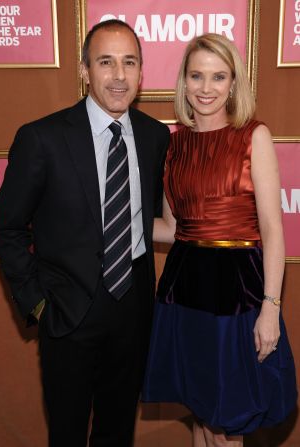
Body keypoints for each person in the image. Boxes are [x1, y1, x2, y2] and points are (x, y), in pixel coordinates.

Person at [0, 19, 170, 447]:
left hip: (132, 312)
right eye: (106, 62)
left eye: (130, 62)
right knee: (68, 434)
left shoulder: (155, 136)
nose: (119, 76)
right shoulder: (42, 138)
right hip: (67, 315)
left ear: (142, 71)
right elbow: (9, 229)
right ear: (85, 69)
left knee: (116, 431)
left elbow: (153, 218)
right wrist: (38, 304)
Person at [142, 33, 297, 446]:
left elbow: (272, 229)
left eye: (218, 76)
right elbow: (173, 230)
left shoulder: (253, 137)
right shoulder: (174, 145)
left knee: (229, 417)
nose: (206, 88)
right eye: (197, 76)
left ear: (233, 83)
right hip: (184, 288)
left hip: (237, 291)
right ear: (184, 81)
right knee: (200, 409)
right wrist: (108, 225)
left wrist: (271, 307)